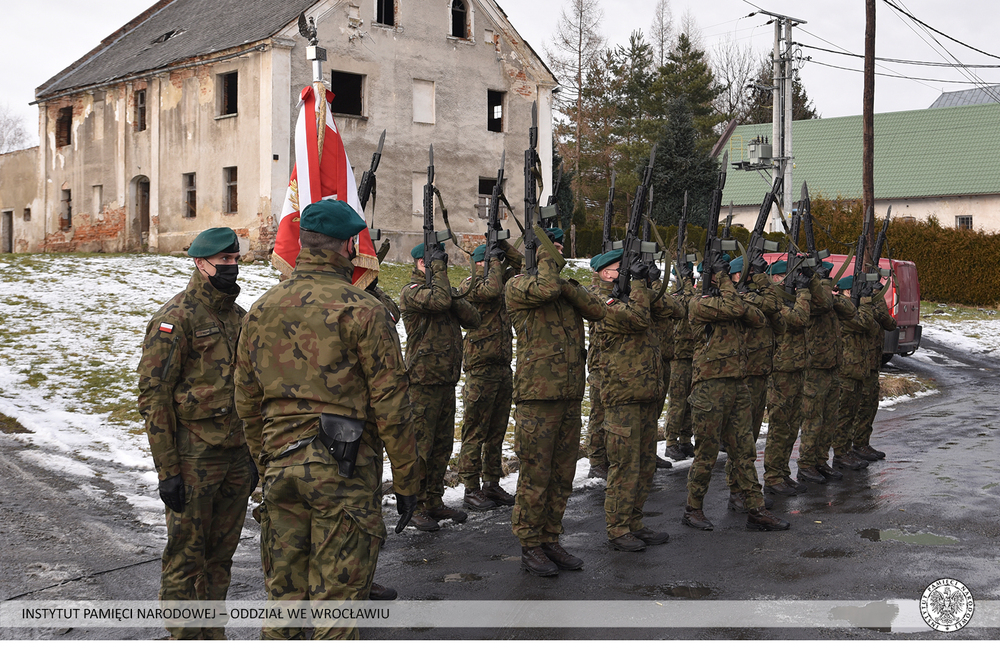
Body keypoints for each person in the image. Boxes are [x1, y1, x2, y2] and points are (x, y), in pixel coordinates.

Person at [234, 199, 419, 639]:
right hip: (343, 471)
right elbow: (392, 404)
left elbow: (246, 400)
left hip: (281, 467)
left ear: (304, 243)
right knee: (336, 612)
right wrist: (411, 481)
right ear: (348, 246)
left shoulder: (262, 308)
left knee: (284, 607)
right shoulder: (364, 309)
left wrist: (267, 463)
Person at [137, 227, 254, 640]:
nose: (231, 268)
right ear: (200, 263)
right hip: (193, 459)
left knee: (222, 555)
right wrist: (167, 470)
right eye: (223, 262)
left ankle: (212, 635)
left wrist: (254, 456)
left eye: (235, 261)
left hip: (237, 456)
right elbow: (154, 397)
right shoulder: (175, 319)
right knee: (187, 556)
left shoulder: (240, 318)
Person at [506, 228, 606, 575]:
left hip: (569, 394)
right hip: (537, 398)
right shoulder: (519, 286)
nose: (559, 253)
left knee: (563, 474)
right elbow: (546, 287)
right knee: (536, 474)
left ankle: (550, 537)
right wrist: (546, 264)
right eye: (552, 248)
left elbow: (598, 310)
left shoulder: (564, 288)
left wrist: (564, 282)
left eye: (560, 248)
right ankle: (529, 544)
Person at [682, 255, 790, 532]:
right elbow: (733, 307)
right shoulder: (699, 302)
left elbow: (757, 316)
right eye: (723, 274)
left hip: (738, 384)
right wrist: (726, 284)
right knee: (705, 453)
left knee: (744, 451)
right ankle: (693, 508)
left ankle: (756, 508)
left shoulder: (734, 302)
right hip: (709, 386)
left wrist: (742, 288)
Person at [591, 250, 672, 551]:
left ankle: (635, 521)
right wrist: (638, 284)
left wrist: (648, 282)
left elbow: (669, 309)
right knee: (625, 466)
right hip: (622, 397)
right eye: (621, 268)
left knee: (645, 464)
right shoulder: (602, 304)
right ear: (606, 274)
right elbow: (638, 319)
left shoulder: (634, 296)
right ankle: (618, 528)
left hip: (647, 393)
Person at [399, 241, 481, 531]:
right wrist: (440, 275)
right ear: (423, 263)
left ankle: (433, 499)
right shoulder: (412, 291)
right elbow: (438, 302)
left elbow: (473, 318)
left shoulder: (444, 291)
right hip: (422, 381)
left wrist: (449, 287)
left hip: (446, 379)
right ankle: (416, 504)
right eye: (434, 262)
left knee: (442, 445)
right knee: (420, 447)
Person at [457, 244, 516, 511]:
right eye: (493, 262)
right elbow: (490, 290)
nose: (499, 267)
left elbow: (524, 269)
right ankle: (470, 487)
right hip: (480, 368)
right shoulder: (470, 284)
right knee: (475, 431)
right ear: (480, 264)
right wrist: (493, 263)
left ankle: (491, 482)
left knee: (496, 431)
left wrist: (506, 251)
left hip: (501, 366)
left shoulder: (501, 281)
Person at [797, 263, 857, 485]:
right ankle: (806, 464)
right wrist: (818, 285)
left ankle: (820, 461)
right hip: (814, 368)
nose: (828, 279)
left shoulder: (829, 298)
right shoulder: (812, 299)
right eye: (824, 276)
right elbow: (822, 303)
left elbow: (851, 311)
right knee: (813, 419)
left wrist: (827, 288)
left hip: (832, 367)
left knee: (829, 420)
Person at [761, 261, 812, 496]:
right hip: (781, 370)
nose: (783, 280)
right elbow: (799, 319)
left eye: (786, 275)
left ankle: (782, 472)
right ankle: (772, 476)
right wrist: (803, 292)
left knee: (792, 426)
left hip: (797, 368)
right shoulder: (774, 302)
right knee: (780, 425)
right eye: (780, 275)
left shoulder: (788, 300)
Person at [831, 276, 876, 471]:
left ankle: (846, 450)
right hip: (845, 372)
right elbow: (865, 323)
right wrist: (866, 303)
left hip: (856, 370)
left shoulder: (852, 311)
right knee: (843, 416)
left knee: (851, 415)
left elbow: (875, 326)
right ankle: (840, 453)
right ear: (847, 292)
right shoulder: (843, 312)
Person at [851, 281, 896, 461]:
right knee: (858, 406)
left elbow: (890, 323)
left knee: (870, 405)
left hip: (873, 361)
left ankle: (862, 442)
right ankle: (852, 446)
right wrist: (868, 301)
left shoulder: (874, 302)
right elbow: (866, 323)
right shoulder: (857, 305)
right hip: (860, 362)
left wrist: (877, 298)